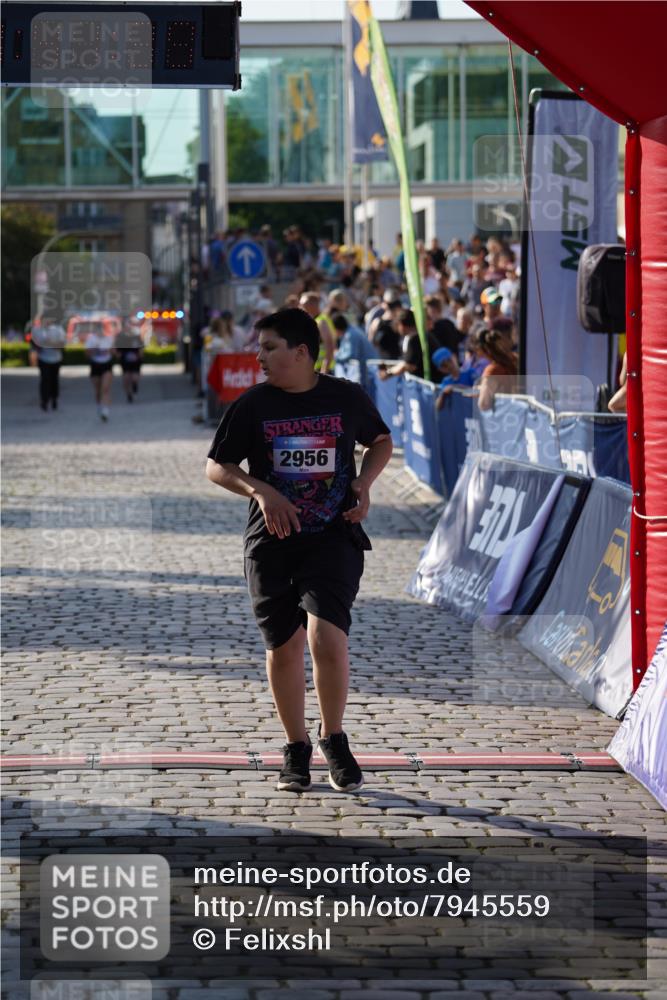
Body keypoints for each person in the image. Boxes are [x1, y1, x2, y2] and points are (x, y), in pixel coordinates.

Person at [206, 308, 392, 793]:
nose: (259, 356)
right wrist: (262, 492)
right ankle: (296, 746)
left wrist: (364, 482)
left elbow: (381, 441)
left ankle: (334, 738)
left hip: (333, 536)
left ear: (302, 352)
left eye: (269, 347)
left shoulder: (345, 397)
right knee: (283, 646)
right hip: (272, 544)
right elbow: (217, 467)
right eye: (259, 347)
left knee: (326, 638)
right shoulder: (253, 405)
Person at [476, 327, 518, 411]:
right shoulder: (517, 360)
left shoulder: (493, 370)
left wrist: (481, 390)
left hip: (505, 416)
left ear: (484, 351)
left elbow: (484, 404)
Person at [32, 321, 65, 412]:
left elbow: (62, 345)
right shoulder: (37, 330)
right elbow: (34, 344)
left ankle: (54, 398)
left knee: (54, 380)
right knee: (44, 379)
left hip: (56, 359)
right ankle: (44, 401)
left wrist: (52, 344)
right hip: (43, 358)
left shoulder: (58, 329)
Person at [85, 324, 115, 421]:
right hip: (95, 365)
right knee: (98, 390)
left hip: (107, 365)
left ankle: (105, 410)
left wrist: (111, 350)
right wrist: (94, 350)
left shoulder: (109, 339)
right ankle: (99, 406)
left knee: (105, 388)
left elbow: (114, 352)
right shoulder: (91, 339)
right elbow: (87, 355)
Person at [114, 325, 144, 403]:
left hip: (135, 362)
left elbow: (141, 349)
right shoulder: (120, 339)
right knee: (126, 379)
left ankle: (135, 385)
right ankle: (128, 394)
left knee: (134, 378)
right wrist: (118, 357)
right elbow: (117, 350)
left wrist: (141, 357)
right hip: (125, 362)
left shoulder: (137, 338)